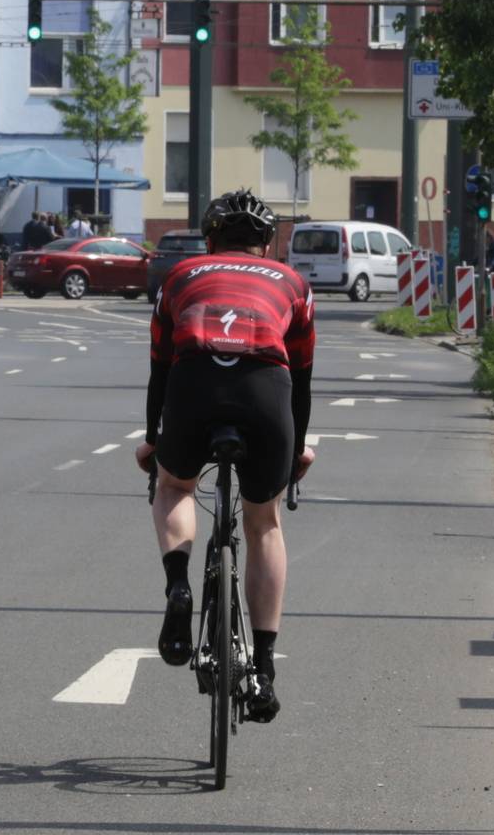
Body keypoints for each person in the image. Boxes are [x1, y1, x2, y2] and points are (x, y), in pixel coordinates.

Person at [135, 188, 315, 725]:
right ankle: (263, 669)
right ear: (266, 242)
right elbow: (300, 383)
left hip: (193, 382)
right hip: (267, 387)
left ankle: (179, 586)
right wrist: (296, 451)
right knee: (264, 523)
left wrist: (153, 439)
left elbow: (160, 369)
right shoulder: (295, 284)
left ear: (210, 239)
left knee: (176, 486)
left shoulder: (178, 277)